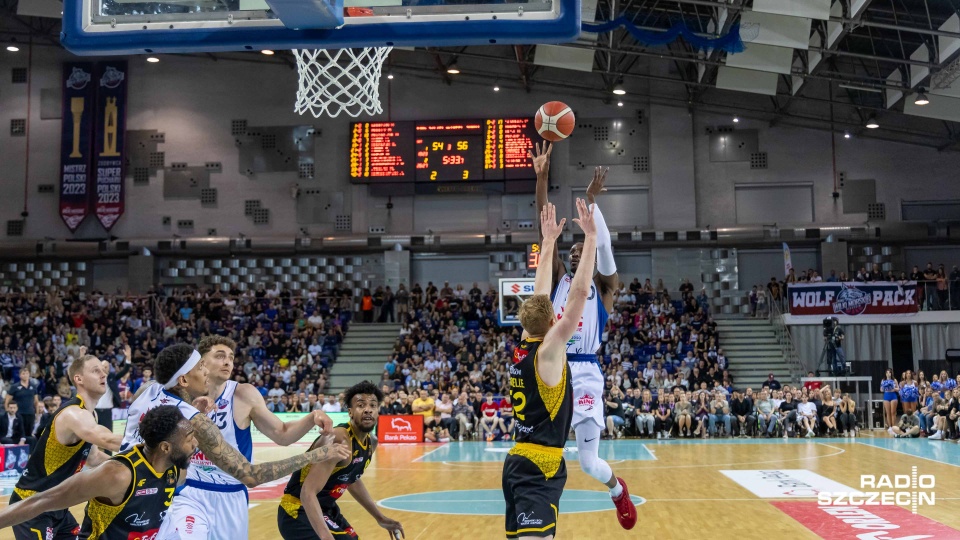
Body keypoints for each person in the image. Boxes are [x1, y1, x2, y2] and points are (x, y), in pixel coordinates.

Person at [123, 344, 342, 540]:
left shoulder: (149, 390)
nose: (226, 362)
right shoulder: (194, 419)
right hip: (186, 493)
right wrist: (316, 455)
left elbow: (282, 433)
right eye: (205, 364)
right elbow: (251, 475)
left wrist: (312, 417)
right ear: (187, 376)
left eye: (231, 356)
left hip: (215, 496)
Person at [532, 144, 636, 529]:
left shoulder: (604, 288)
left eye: (581, 250)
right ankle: (540, 509)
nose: (575, 255)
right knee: (545, 452)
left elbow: (603, 246)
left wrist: (592, 201)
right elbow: (545, 229)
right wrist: (541, 178)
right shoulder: (559, 278)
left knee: (589, 463)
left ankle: (616, 491)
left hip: (587, 372)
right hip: (554, 372)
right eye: (571, 252)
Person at [503, 199, 603, 540]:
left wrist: (548, 243)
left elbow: (540, 292)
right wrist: (591, 239)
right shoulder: (548, 352)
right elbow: (577, 294)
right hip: (539, 466)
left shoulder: (524, 344)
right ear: (552, 322)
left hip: (517, 460)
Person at [0, 405, 197, 539]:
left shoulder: (175, 469)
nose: (196, 445)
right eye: (190, 439)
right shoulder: (118, 474)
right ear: (165, 447)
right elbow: (43, 501)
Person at [8, 353, 123, 540]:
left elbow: (93, 457)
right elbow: (107, 439)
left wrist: (127, 466)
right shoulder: (73, 414)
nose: (103, 375)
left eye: (103, 371)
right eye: (96, 371)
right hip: (32, 504)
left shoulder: (90, 415)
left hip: (57, 505)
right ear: (79, 379)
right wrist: (150, 444)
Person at [277, 381, 402, 540]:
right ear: (350, 412)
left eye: (373, 405)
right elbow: (307, 493)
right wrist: (325, 536)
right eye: (361, 405)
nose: (368, 409)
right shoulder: (339, 439)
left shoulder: (372, 442)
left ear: (378, 411)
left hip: (327, 509)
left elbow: (351, 478)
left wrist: (380, 517)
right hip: (297, 511)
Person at [5, 368, 39, 437]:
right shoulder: (14, 387)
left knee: (29, 434)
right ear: (20, 375)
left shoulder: (33, 386)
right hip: (18, 413)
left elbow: (36, 402)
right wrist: (7, 411)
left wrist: (37, 414)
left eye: (27, 373)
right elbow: (7, 401)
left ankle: (29, 447)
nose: (25, 375)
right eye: (23, 374)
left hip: (30, 413)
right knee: (19, 434)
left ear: (29, 375)